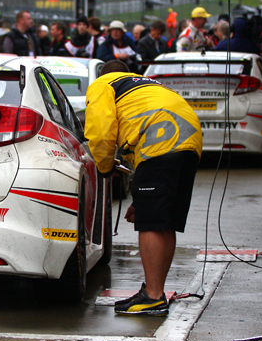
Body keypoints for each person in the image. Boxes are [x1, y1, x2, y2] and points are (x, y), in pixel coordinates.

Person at [85, 60, 202, 315]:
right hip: (189, 141)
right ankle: (155, 290)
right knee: (164, 221)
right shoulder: (146, 84)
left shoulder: (104, 83)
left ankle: (153, 296)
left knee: (150, 223)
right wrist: (140, 201)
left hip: (161, 140)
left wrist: (104, 167)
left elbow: (100, 131)